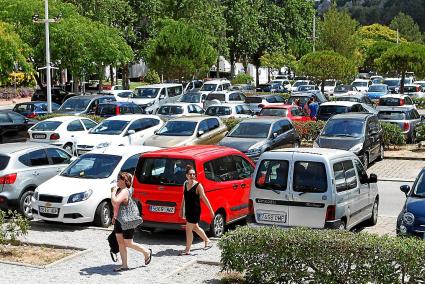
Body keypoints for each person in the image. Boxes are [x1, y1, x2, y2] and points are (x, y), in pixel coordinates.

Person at [111, 172, 152, 271]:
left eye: (119, 178)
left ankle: (146, 252)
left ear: (125, 181)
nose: (117, 180)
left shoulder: (125, 191)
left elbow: (116, 201)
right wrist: (114, 216)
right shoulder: (119, 190)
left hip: (127, 220)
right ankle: (124, 265)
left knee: (128, 243)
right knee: (121, 243)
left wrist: (113, 192)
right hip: (118, 220)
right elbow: (114, 204)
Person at [179, 165, 214, 255]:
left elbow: (204, 198)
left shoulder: (198, 186)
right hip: (188, 210)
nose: (192, 176)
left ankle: (187, 250)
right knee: (195, 228)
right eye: (190, 174)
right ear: (186, 175)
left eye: (194, 174)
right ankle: (207, 240)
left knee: (188, 228)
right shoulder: (185, 184)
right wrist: (181, 209)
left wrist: (211, 210)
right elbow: (184, 197)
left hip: (195, 211)